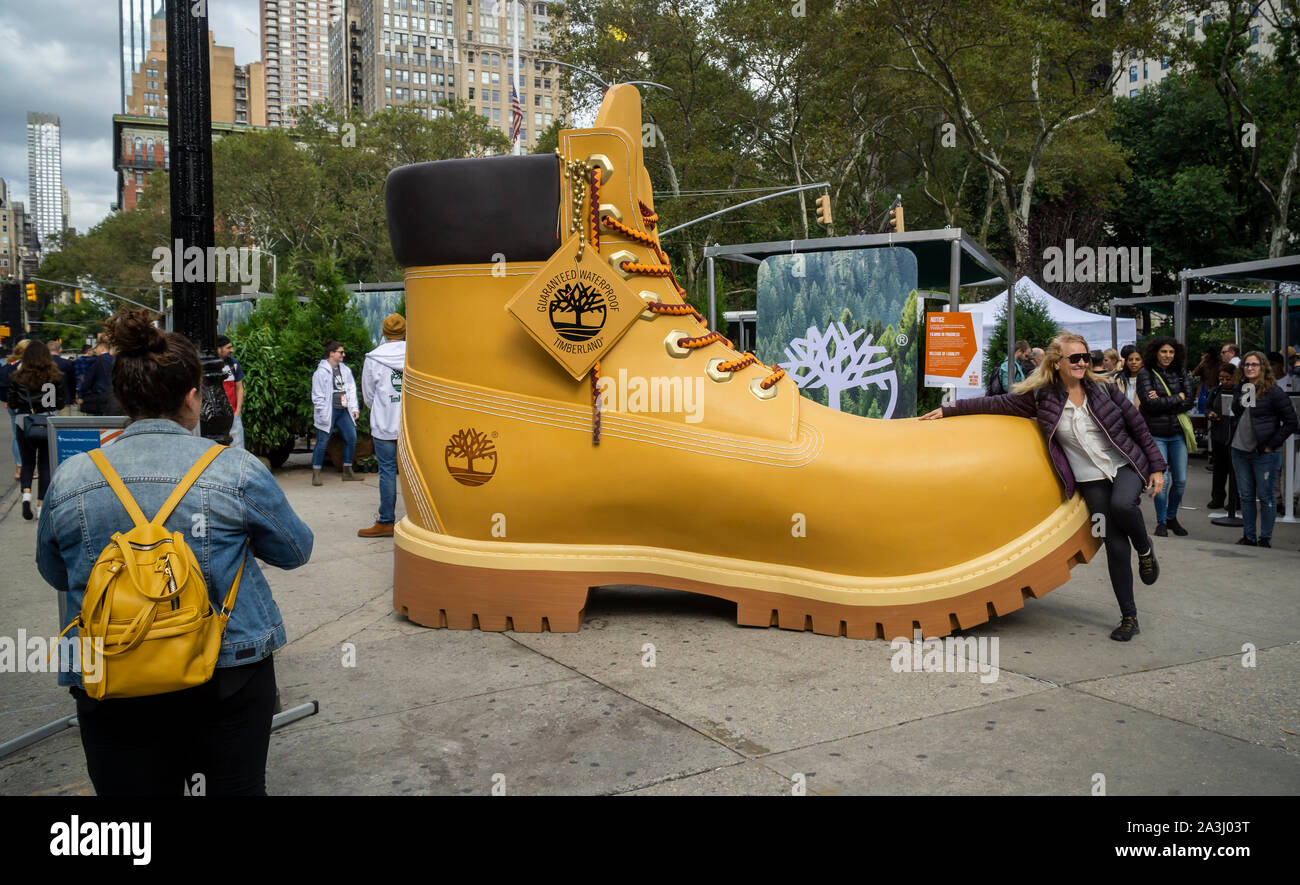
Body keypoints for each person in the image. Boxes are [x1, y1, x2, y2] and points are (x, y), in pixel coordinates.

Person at [35, 308, 314, 796]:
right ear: (192, 397)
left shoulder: (72, 477)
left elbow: (56, 570)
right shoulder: (235, 469)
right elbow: (294, 550)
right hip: (228, 668)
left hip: (112, 672)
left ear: (124, 397)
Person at [922, 332, 1166, 642]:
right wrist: (950, 409)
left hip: (1124, 465)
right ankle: (1130, 617)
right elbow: (996, 403)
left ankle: (1145, 549)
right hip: (1089, 479)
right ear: (1057, 362)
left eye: (1085, 357)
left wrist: (1157, 466)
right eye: (1074, 358)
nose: (1082, 363)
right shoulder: (1042, 397)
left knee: (1122, 506)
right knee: (1115, 546)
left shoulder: (1104, 388)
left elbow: (1138, 425)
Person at [1228, 352, 1298, 548]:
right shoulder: (1244, 387)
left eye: (1254, 365)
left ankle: (1265, 538)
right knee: (1246, 496)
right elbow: (1244, 415)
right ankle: (1249, 536)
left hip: (1264, 453)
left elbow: (1292, 422)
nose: (1249, 368)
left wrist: (1271, 444)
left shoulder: (1274, 392)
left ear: (1263, 367)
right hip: (1240, 450)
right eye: (1246, 365)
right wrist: (1243, 391)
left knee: (1266, 497)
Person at [1137, 336, 1194, 537]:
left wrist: (1164, 401)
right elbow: (1149, 404)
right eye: (1164, 351)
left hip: (1178, 434)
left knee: (1181, 480)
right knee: (1163, 480)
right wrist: (1177, 398)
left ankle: (1172, 518)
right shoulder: (1145, 373)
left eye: (1171, 352)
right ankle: (1161, 521)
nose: (1168, 355)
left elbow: (1190, 401)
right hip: (1155, 434)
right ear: (1156, 352)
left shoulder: (1181, 372)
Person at [359, 314, 406, 537]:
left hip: (384, 423)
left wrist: (381, 407)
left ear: (385, 332)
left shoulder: (373, 358)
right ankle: (419, 522)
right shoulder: (415, 354)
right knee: (414, 474)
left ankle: (386, 521)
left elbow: (368, 395)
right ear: (404, 331)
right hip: (410, 425)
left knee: (387, 472)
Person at [8, 339, 65, 519]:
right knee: (45, 465)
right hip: (47, 422)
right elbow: (60, 402)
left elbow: (13, 402)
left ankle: (26, 495)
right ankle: (41, 506)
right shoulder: (54, 377)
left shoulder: (17, 377)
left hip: (24, 422)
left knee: (27, 462)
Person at [311, 340, 363, 485]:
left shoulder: (345, 370)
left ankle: (347, 471)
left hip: (343, 410)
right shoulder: (320, 373)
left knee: (351, 437)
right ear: (331, 353)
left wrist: (354, 409)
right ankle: (316, 474)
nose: (343, 355)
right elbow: (317, 396)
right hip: (329, 411)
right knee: (322, 442)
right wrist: (322, 413)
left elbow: (351, 390)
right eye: (340, 352)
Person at [1205, 365, 1239, 511]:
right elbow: (1207, 408)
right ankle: (1217, 498)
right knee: (1219, 470)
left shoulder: (1241, 392)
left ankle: (1235, 500)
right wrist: (1210, 414)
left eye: (1228, 378)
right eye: (1221, 379)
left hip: (1236, 436)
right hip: (1218, 436)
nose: (1224, 381)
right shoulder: (1215, 392)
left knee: (1236, 471)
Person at [2, 339, 28, 481]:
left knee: (16, 436)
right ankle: (23, 468)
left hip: (11, 404)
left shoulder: (7, 365)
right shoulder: (23, 366)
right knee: (24, 436)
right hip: (22, 403)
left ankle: (19, 467)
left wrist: (6, 400)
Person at [78, 334, 119, 415]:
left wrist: (81, 394)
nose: (94, 350)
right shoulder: (116, 360)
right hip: (115, 397)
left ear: (102, 348)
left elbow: (88, 380)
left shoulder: (95, 361)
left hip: (99, 397)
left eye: (96, 348)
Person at [216, 335, 245, 448]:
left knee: (238, 449)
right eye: (228, 347)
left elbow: (239, 387)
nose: (231, 350)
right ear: (219, 349)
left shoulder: (234, 364)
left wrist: (238, 411)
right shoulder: (208, 365)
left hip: (233, 416)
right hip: (216, 417)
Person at [47, 340, 77, 415]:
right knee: (65, 423)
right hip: (64, 398)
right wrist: (73, 397)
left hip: (47, 398)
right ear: (60, 350)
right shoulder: (67, 363)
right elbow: (72, 382)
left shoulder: (42, 363)